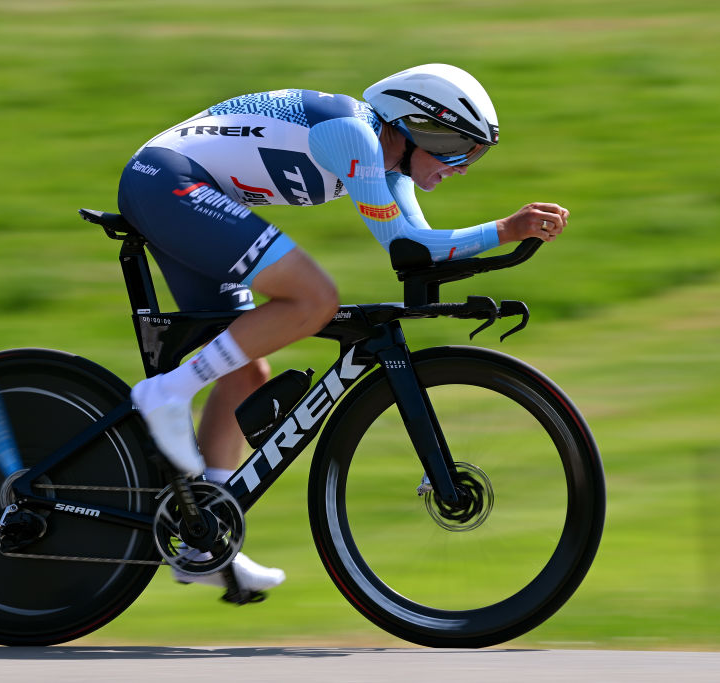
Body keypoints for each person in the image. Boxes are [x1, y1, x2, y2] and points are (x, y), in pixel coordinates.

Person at [117, 63, 569, 594]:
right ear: (418, 126)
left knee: (245, 370)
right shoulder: (353, 134)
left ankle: (206, 538)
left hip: (185, 189)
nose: (462, 166)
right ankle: (166, 393)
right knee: (314, 297)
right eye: (456, 148)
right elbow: (401, 243)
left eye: (472, 154)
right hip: (167, 181)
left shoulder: (390, 166)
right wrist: (502, 229)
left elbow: (418, 251)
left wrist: (505, 238)